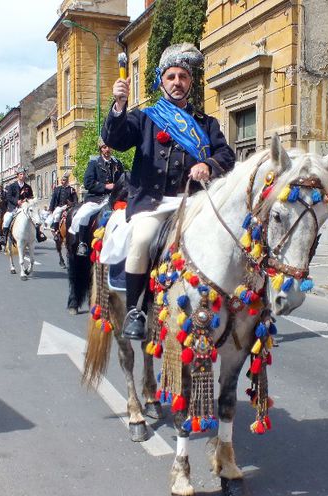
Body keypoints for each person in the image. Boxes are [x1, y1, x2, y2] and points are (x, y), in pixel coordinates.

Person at [103, 42, 235, 339]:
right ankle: (136, 310)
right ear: (161, 81)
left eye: (183, 77)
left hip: (195, 203)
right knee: (142, 240)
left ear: (190, 82)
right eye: (171, 76)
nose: (177, 82)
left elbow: (227, 155)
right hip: (154, 203)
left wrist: (210, 165)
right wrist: (119, 106)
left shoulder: (207, 123)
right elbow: (117, 139)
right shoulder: (145, 117)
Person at [72, 139, 126, 255]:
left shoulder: (118, 163)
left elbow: (123, 180)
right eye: (104, 147)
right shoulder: (94, 163)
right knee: (84, 214)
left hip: (114, 198)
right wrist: (106, 186)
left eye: (109, 147)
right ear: (101, 149)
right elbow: (88, 183)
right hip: (96, 198)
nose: (107, 149)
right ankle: (82, 243)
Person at [3, 169, 46, 242]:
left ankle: (38, 235)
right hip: (14, 208)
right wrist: (17, 201)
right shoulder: (12, 186)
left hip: (26, 208)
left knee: (35, 218)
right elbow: (9, 197)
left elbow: (31, 197)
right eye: (21, 174)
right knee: (7, 218)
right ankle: (4, 237)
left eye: (23, 174)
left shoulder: (28, 187)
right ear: (18, 176)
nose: (22, 176)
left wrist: (28, 200)